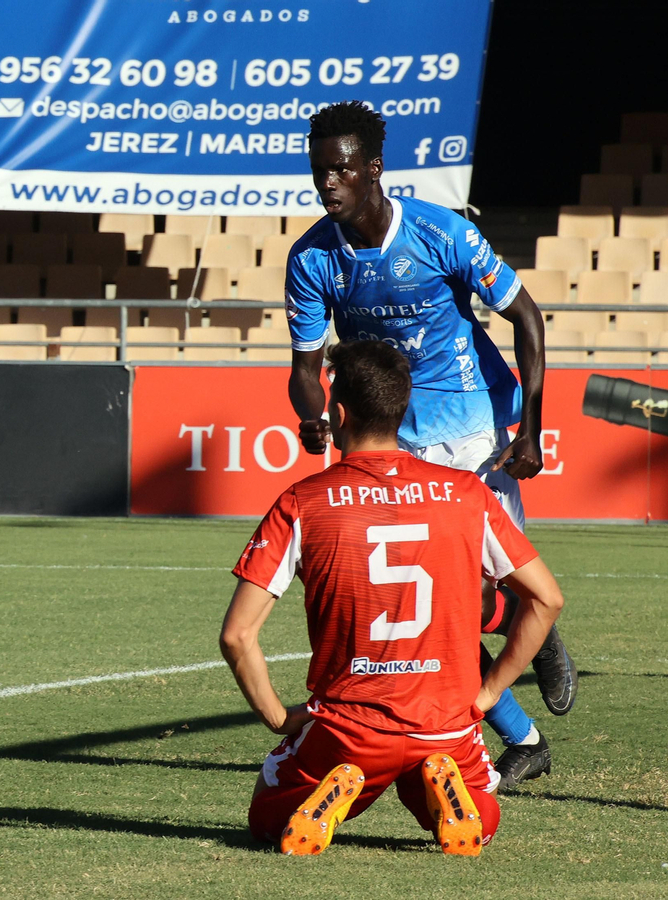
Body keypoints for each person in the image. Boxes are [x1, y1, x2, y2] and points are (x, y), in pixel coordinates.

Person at [283, 101, 576, 789]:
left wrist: (530, 427)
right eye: (320, 170)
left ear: (373, 168)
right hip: (390, 442)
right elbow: (303, 370)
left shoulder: (440, 233)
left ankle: (538, 632)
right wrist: (313, 416)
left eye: (342, 169)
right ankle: (522, 739)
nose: (329, 184)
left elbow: (527, 317)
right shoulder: (312, 259)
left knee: (473, 600)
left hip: (474, 429)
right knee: (436, 610)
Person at [224, 340, 564, 855]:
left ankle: (339, 783)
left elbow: (237, 635)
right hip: (446, 723)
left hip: (348, 726)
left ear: (338, 414)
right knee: (482, 814)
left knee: (269, 820)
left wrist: (278, 716)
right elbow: (546, 600)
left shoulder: (302, 500)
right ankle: (443, 788)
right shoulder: (466, 494)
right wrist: (489, 694)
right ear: (403, 410)